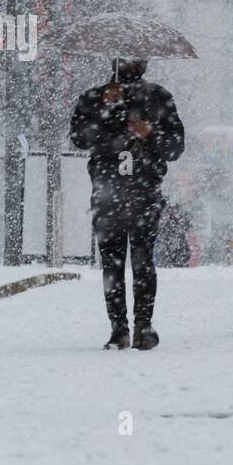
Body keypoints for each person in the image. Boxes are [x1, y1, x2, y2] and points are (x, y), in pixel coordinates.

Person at [70, 57, 185, 349]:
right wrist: (104, 108)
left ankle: (136, 326)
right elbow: (80, 139)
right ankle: (126, 327)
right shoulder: (98, 97)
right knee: (121, 262)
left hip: (139, 194)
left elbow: (175, 147)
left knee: (136, 261)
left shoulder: (157, 97)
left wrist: (148, 134)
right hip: (116, 194)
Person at [155, 197, 193, 268]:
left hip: (179, 251)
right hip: (169, 252)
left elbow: (188, 228)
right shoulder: (164, 222)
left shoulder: (181, 219)